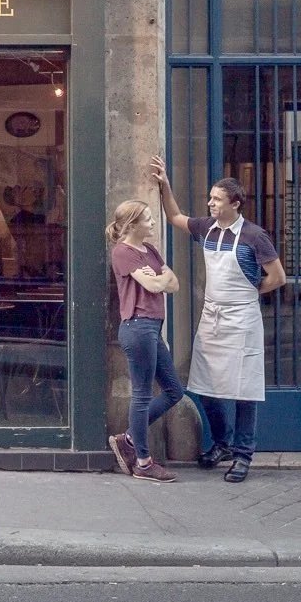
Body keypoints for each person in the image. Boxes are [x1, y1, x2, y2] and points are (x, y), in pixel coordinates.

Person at [151, 156, 286, 483]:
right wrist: (165, 183)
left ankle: (243, 455)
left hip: (242, 320)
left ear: (235, 204)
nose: (210, 203)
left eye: (216, 199)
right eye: (210, 198)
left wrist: (249, 295)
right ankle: (222, 442)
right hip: (213, 316)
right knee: (206, 386)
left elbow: (278, 277)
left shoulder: (255, 236)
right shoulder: (206, 228)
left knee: (244, 390)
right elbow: (173, 216)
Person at [105, 200, 184, 483]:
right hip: (138, 327)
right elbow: (154, 285)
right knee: (141, 394)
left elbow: (173, 283)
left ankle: (128, 438)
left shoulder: (149, 250)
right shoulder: (123, 252)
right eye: (148, 219)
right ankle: (142, 462)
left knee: (175, 391)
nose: (153, 223)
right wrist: (159, 280)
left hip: (152, 327)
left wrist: (160, 279)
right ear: (132, 225)